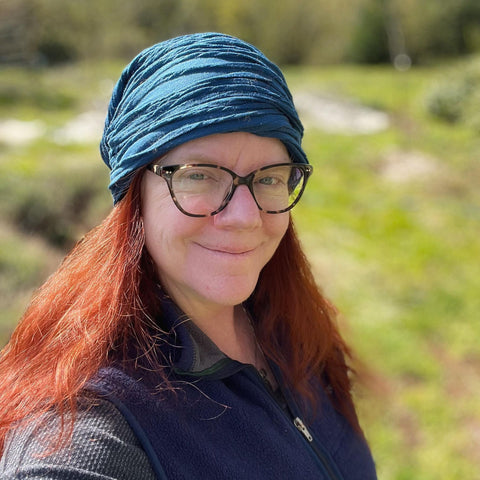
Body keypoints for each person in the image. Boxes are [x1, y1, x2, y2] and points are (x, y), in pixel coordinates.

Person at [0, 32, 377, 479]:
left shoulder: (289, 331)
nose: (244, 215)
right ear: (134, 194)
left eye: (270, 178)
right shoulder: (84, 430)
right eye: (199, 175)